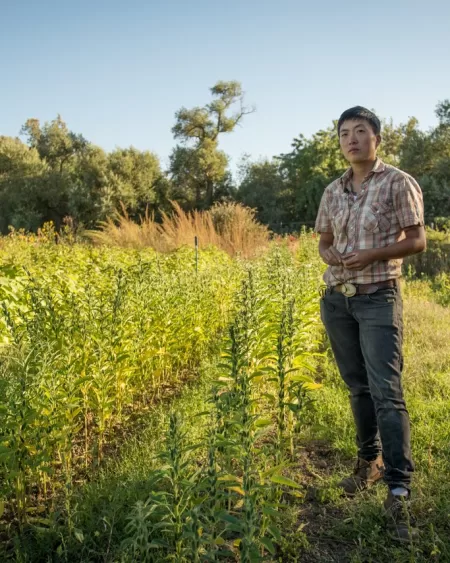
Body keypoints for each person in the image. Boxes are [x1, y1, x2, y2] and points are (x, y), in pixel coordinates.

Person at [315, 106, 426, 541]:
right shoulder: (333, 190)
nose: (352, 139)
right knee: (357, 387)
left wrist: (373, 255)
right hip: (338, 300)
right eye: (345, 133)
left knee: (387, 393)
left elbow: (417, 240)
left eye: (360, 131)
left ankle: (399, 489)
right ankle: (369, 463)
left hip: (378, 297)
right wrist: (330, 254)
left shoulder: (398, 182)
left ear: (376, 138)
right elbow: (324, 241)